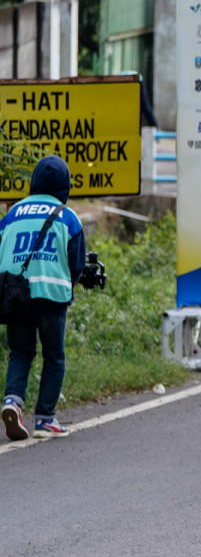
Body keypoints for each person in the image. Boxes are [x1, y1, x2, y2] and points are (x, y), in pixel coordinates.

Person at [1, 156, 100, 440]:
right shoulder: (67, 217)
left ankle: (12, 401)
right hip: (51, 297)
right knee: (53, 356)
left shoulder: (11, 215)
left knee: (20, 352)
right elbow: (76, 265)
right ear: (65, 186)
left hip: (15, 295)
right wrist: (71, 283)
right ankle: (45, 419)